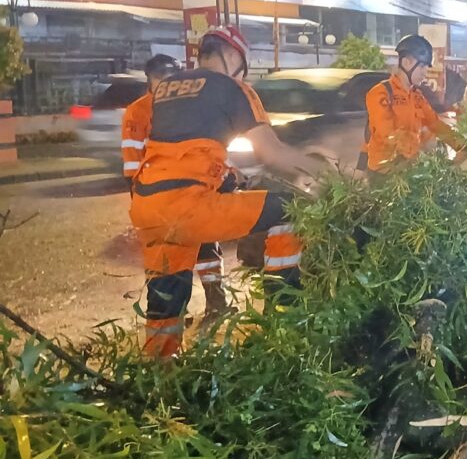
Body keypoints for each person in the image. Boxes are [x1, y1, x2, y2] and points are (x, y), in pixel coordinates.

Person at [130, 25, 329, 359]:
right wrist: (325, 173)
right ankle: (285, 315)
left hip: (148, 206)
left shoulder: (166, 88)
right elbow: (272, 153)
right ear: (234, 56)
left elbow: (181, 145)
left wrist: (225, 176)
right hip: (190, 207)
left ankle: (159, 371)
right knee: (291, 207)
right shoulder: (233, 87)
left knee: (167, 290)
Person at [122, 55, 230, 322]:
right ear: (150, 79)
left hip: (194, 189)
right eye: (162, 78)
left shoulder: (188, 105)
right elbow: (133, 161)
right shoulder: (138, 112)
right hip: (160, 196)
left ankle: (216, 304)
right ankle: (173, 314)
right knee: (167, 258)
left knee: (206, 249)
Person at [361, 34, 467, 176]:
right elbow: (386, 133)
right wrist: (421, 151)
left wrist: (464, 146)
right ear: (406, 63)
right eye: (422, 66)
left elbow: (435, 124)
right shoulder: (380, 93)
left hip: (409, 171)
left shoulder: (417, 96)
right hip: (384, 174)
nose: (425, 73)